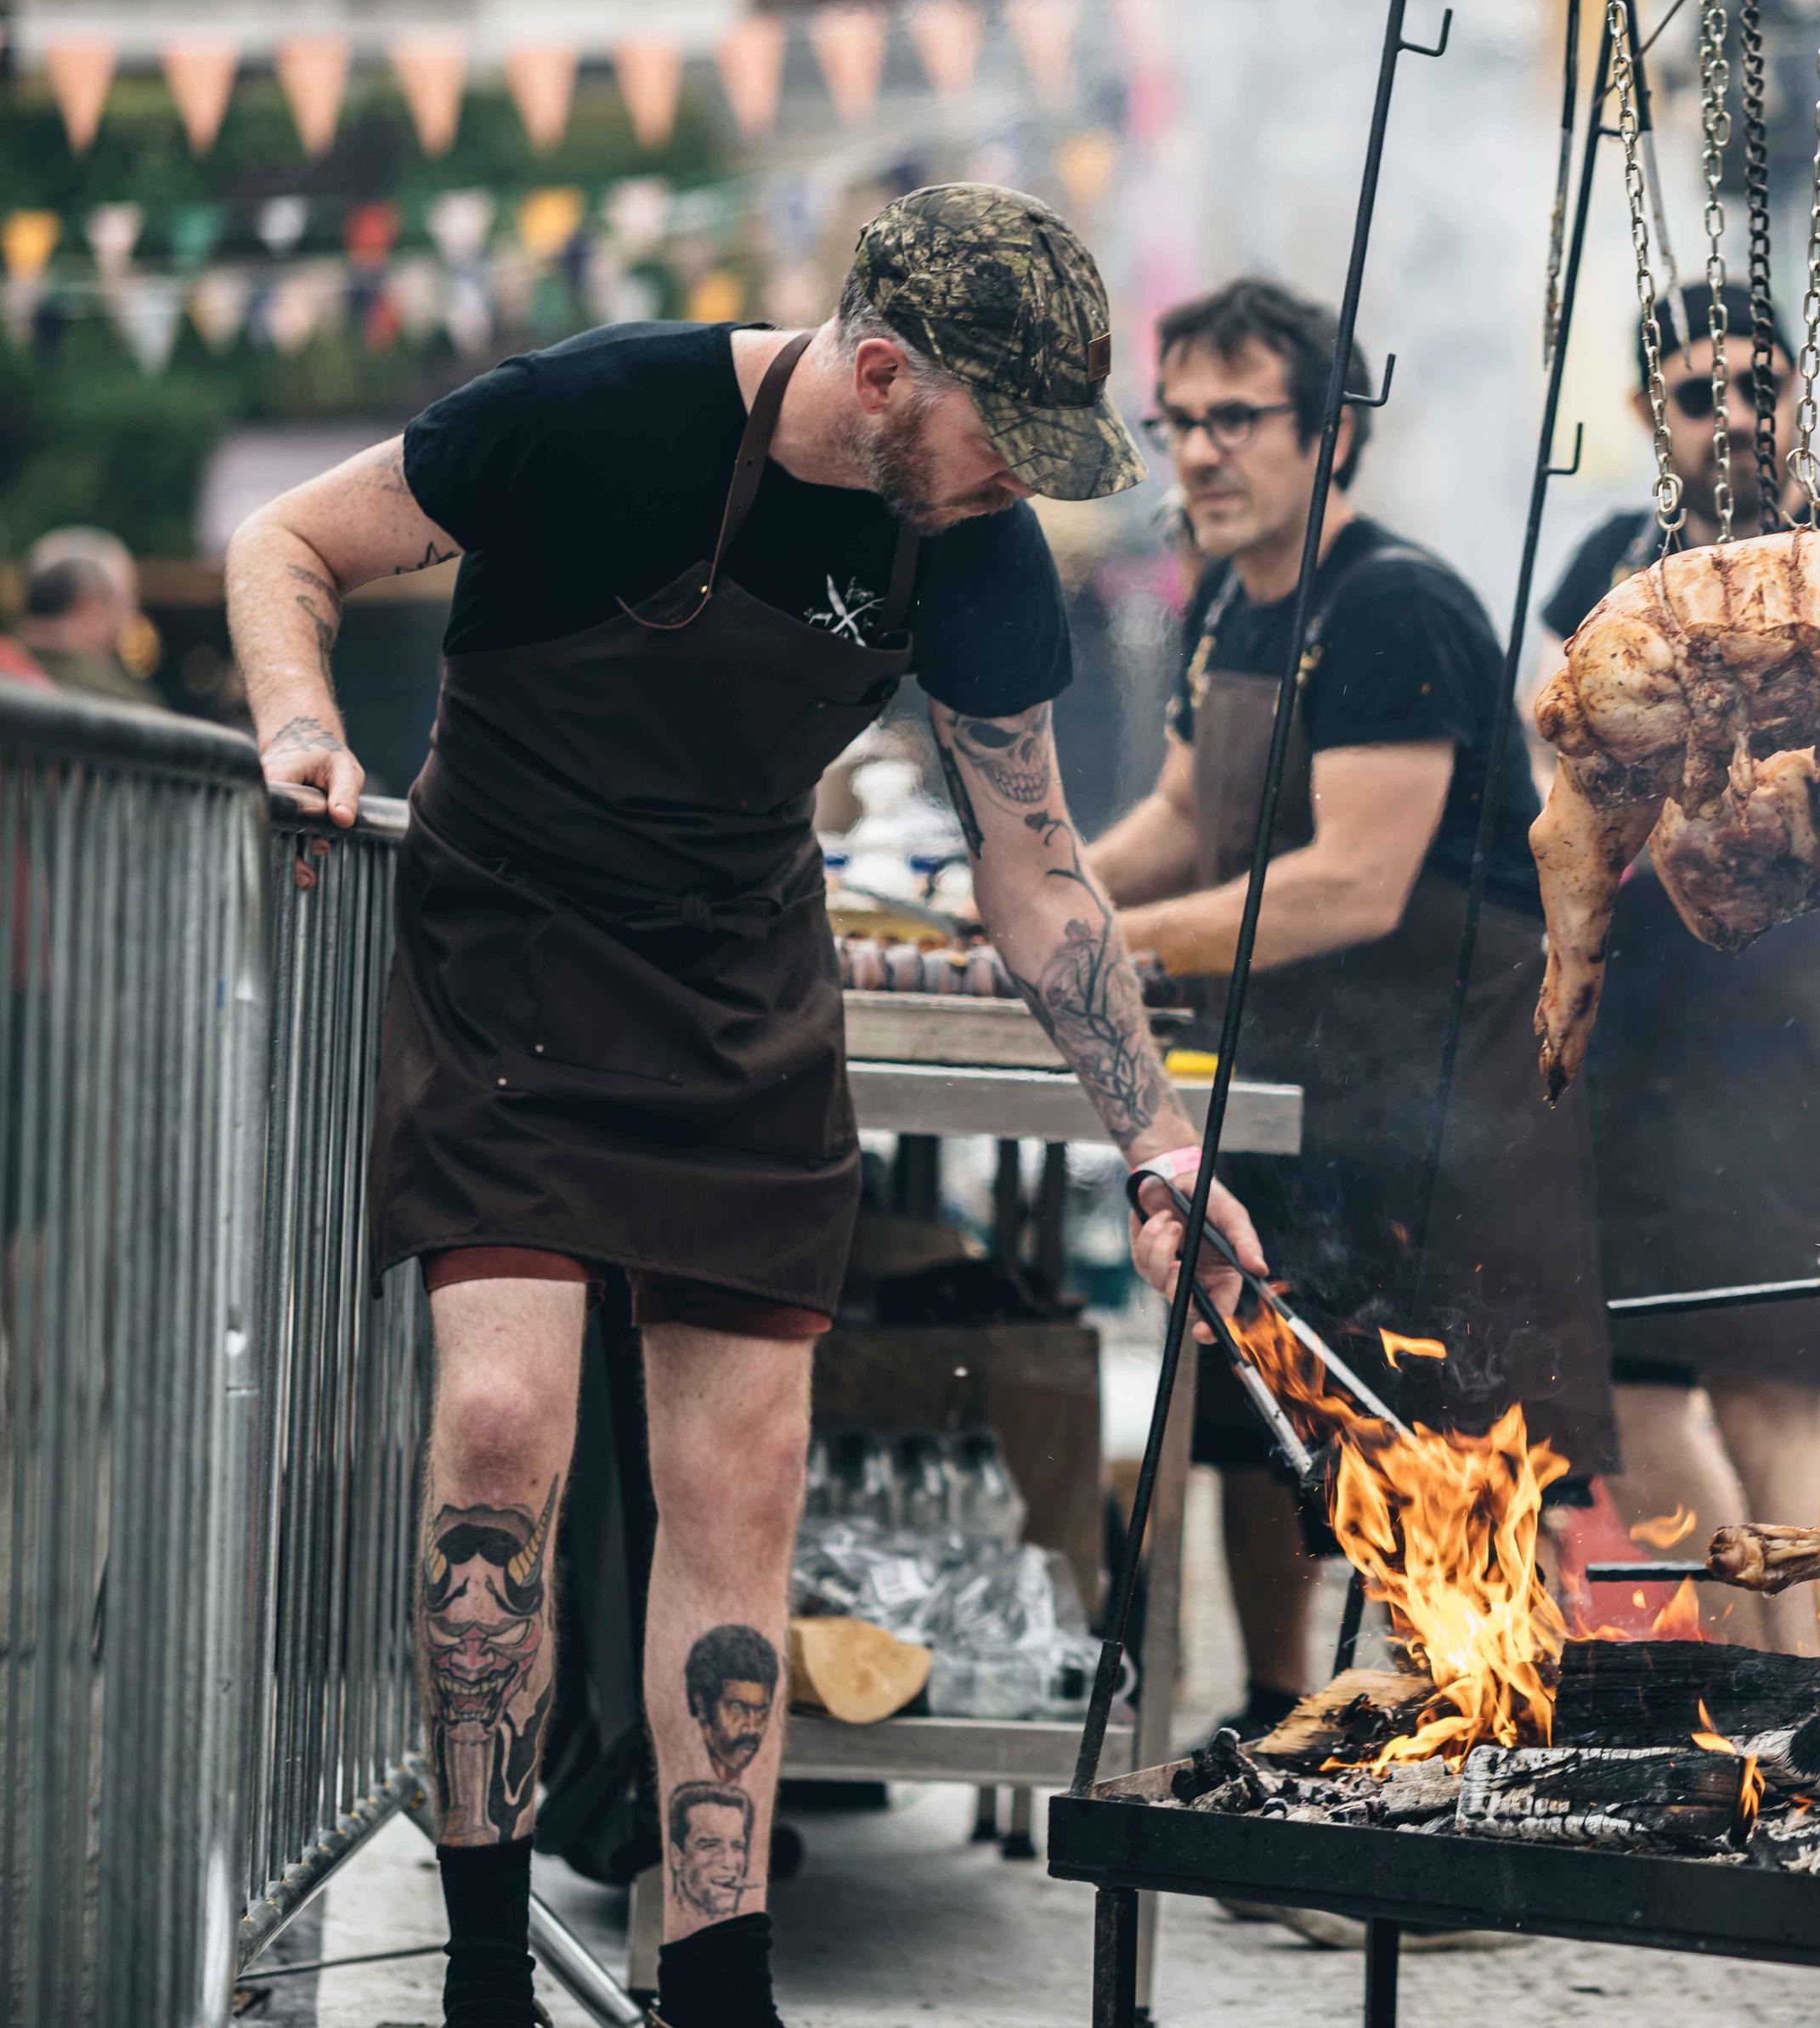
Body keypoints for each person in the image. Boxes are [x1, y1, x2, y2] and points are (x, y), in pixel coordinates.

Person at [223, 184, 1264, 2028]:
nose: (1025, 482)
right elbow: (287, 539)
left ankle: (719, 1973)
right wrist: (303, 723)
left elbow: (1042, 881)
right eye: (1001, 439)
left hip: (734, 981)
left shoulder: (976, 548)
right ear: (878, 374)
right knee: (499, 1420)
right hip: (515, 956)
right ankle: (483, 1970)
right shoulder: (596, 413)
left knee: (739, 1485)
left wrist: (1159, 1142)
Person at [1086, 276, 1613, 1740]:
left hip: (1450, 1085)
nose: (1201, 453)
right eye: (1180, 421)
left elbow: (1355, 883)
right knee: (1269, 1404)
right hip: (1297, 1067)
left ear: (1329, 433)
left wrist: (1106, 941)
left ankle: (1477, 1745)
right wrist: (1037, 896)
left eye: (1238, 418)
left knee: (1433, 1436)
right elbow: (1189, 814)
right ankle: (1276, 1716)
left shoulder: (1394, 606)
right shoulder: (1223, 607)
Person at [1531, 281, 1820, 1656]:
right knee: (1630, 1396)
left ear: (1799, 393)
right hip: (1647, 1025)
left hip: (1796, 1022)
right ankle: (1762, 1678)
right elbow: (1563, 740)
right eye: (1700, 396)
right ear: (1649, 415)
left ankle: (1806, 1694)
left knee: (1774, 1393)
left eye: (1761, 387)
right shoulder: (1610, 563)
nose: (1735, 418)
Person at [16, 524, 161, 706]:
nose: (132, 613)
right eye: (126, 600)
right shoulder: (126, 703)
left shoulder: (9, 674)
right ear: (89, 609)